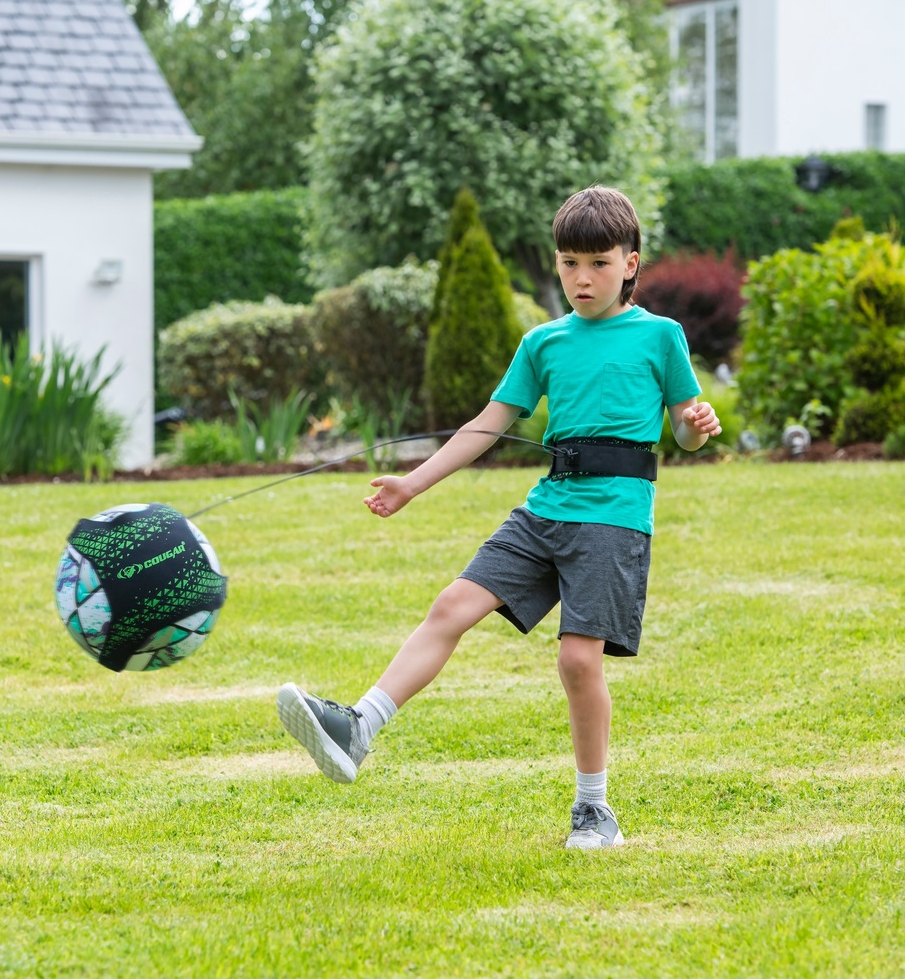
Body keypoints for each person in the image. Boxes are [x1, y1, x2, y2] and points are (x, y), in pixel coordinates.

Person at [277, 185, 721, 849]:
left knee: (577, 660)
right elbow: (486, 426)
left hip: (614, 516)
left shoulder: (660, 336)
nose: (581, 278)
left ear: (631, 262)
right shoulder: (544, 343)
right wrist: (412, 485)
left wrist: (694, 426)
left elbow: (684, 433)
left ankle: (593, 809)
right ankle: (357, 728)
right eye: (569, 263)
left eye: (598, 263)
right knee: (451, 606)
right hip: (546, 509)